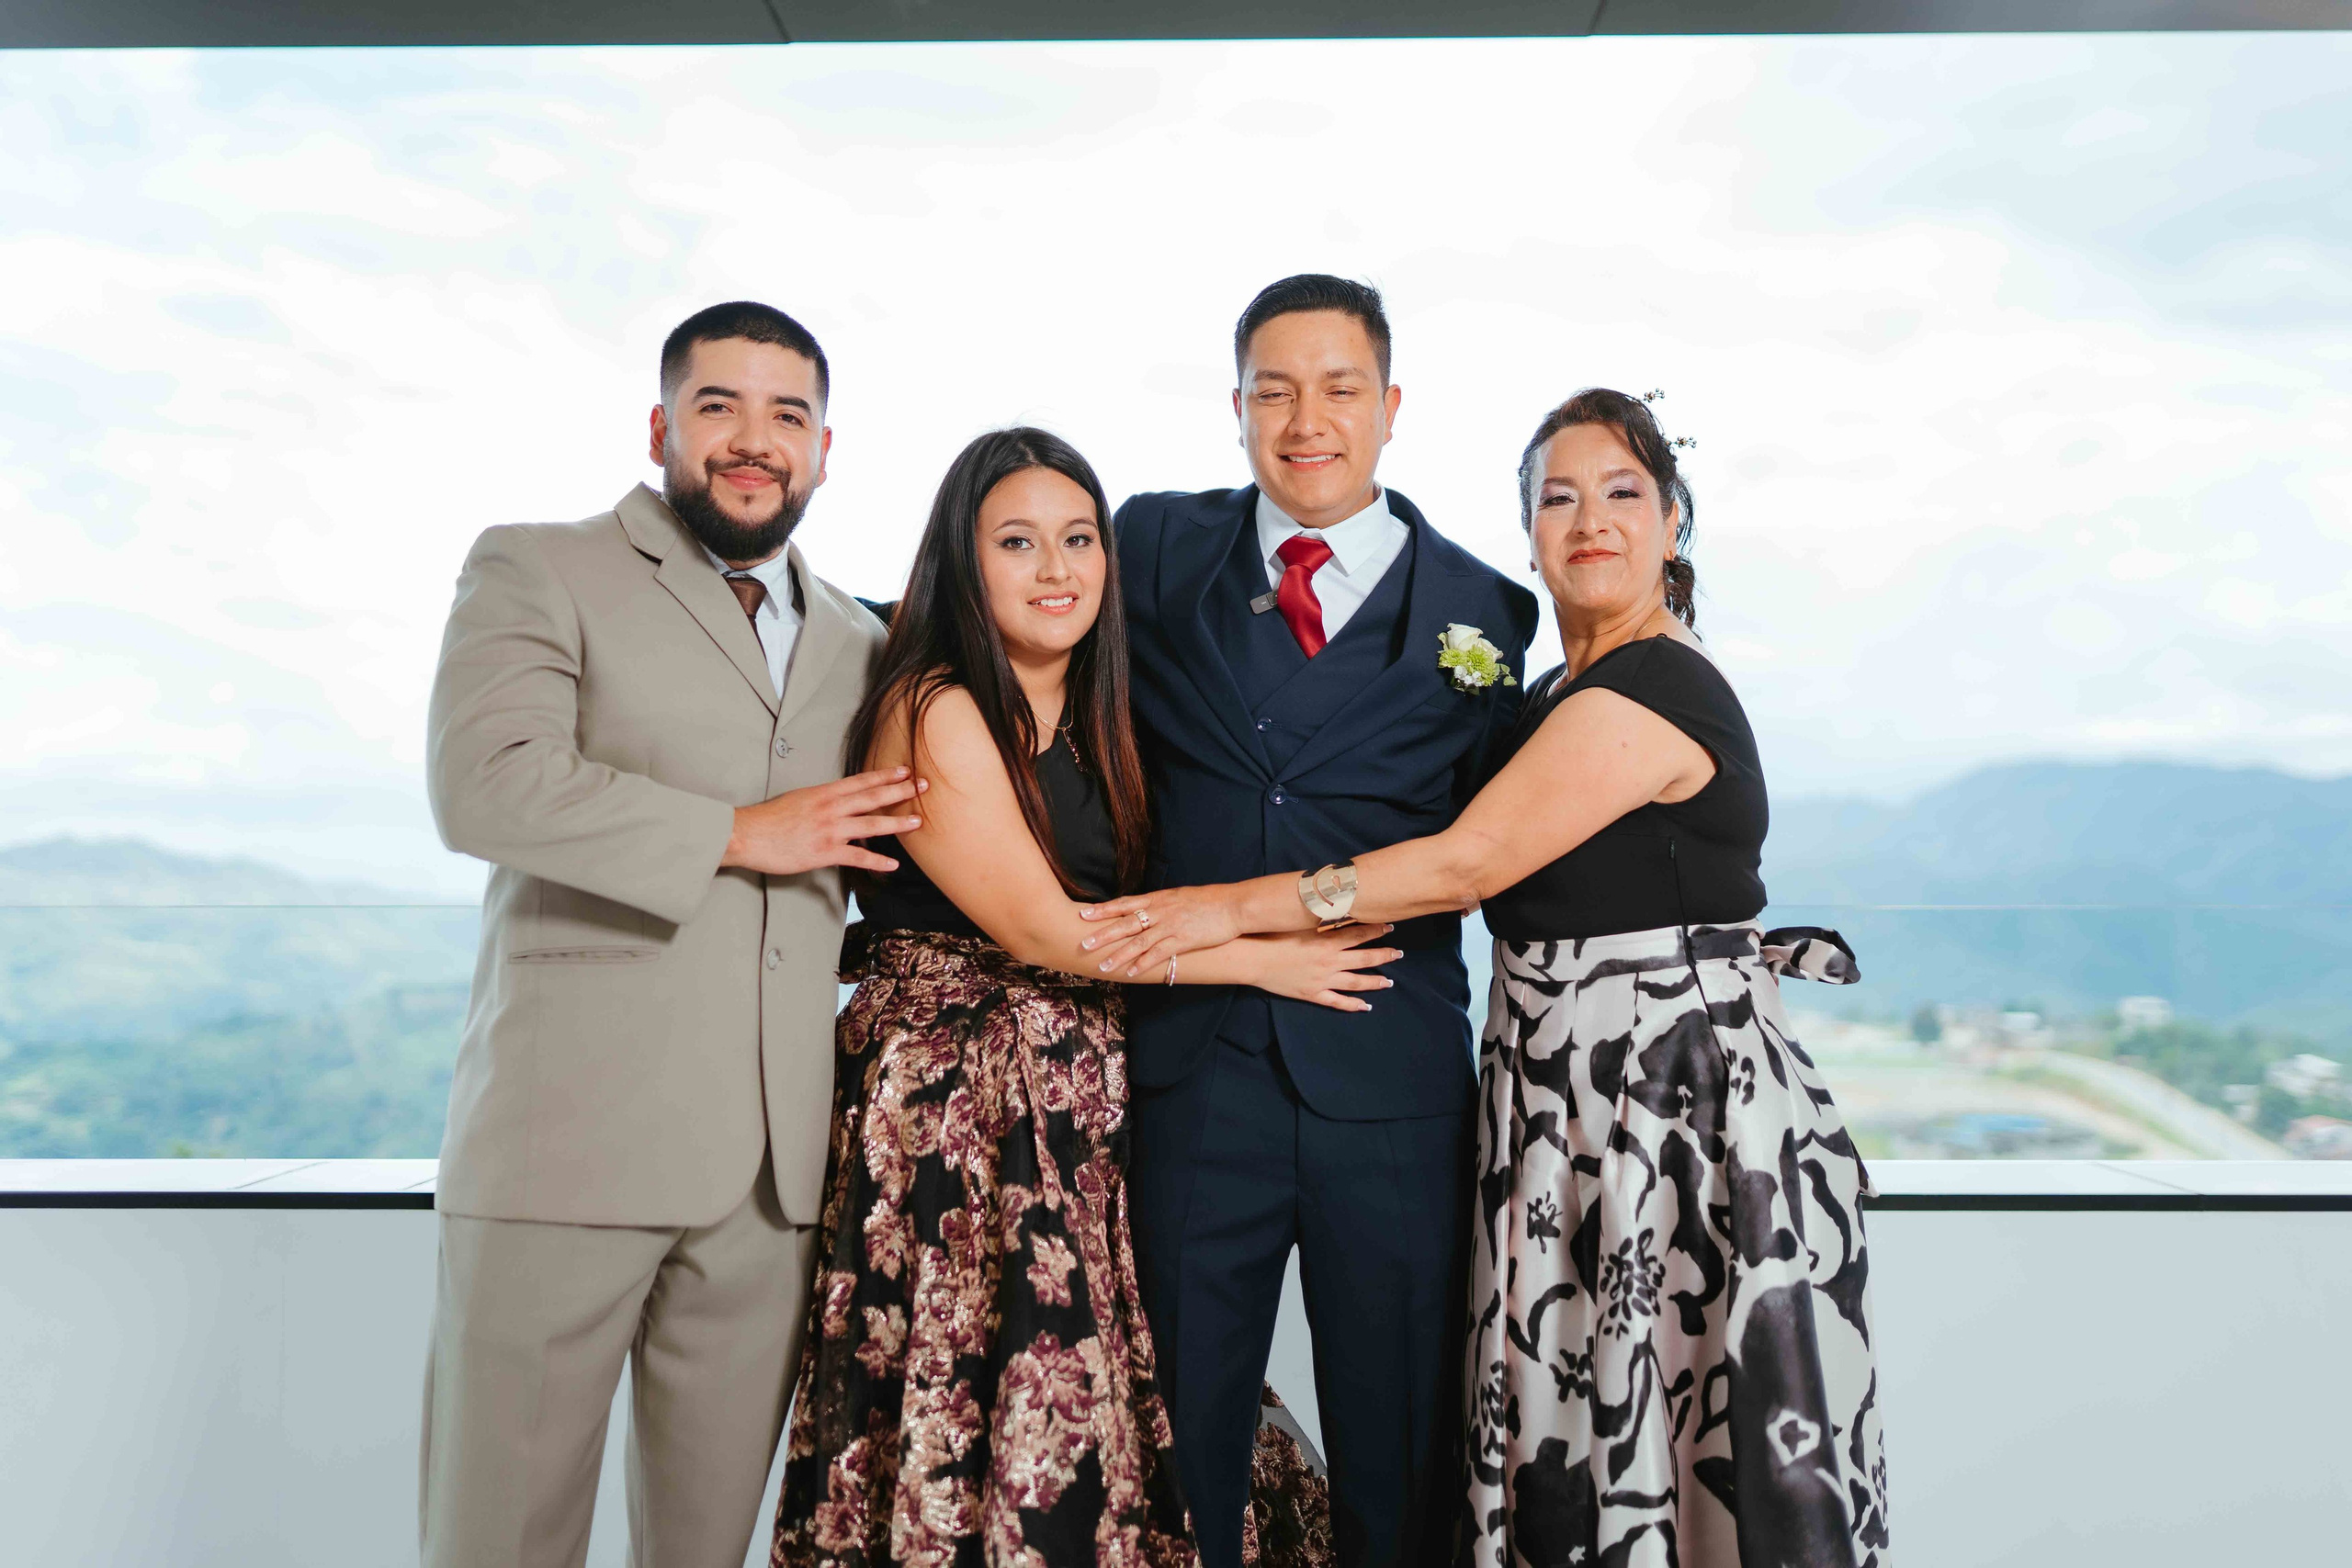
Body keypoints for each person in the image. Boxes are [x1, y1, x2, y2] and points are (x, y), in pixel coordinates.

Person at [1083, 389, 1891, 1566]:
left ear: (1673, 524)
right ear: (1527, 532)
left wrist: (1225, 912)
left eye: (1622, 494)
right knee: (1604, 1441)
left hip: (1663, 1119)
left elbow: (1464, 859)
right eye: (1556, 497)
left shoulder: (1652, 686)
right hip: (1567, 1108)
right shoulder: (1553, 690)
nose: (1589, 520)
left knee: (1681, 1439)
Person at [770, 426, 1374, 1567]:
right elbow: (1044, 930)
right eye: (1017, 542)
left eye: (1078, 539)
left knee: (1117, 1416)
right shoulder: (936, 701)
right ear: (964, 560)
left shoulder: (1107, 716)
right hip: (954, 1117)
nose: (1056, 569)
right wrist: (1261, 949)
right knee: (984, 1408)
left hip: (1079, 1106)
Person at [420, 301, 920, 1568]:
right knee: (499, 1541)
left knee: (703, 1548)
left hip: (768, 1182)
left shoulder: (865, 639)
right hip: (563, 1156)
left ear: (822, 449)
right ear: (661, 426)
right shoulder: (538, 566)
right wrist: (746, 832)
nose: (754, 441)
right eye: (720, 407)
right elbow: (485, 785)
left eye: (786, 416)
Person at [1094, 276, 1540, 1568]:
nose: (1307, 419)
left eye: (1340, 388)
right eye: (1273, 390)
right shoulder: (1151, 547)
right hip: (1193, 1067)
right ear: (1235, 408)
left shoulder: (1487, 617)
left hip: (1390, 1083)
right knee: (1178, 1448)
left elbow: (1495, 850)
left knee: (1400, 1449)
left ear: (1390, 407)